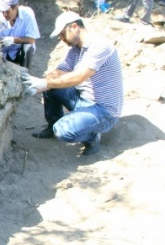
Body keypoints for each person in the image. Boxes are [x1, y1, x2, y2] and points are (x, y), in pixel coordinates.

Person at [22, 11, 124, 155]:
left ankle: (92, 137)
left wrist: (44, 83)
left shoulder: (100, 46)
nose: (61, 38)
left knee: (63, 131)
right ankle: (52, 125)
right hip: (84, 100)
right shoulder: (76, 49)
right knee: (51, 84)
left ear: (74, 27)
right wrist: (38, 85)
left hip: (104, 110)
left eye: (62, 34)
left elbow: (79, 77)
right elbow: (59, 72)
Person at [0, 0, 40, 71]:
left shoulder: (27, 15)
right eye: (2, 11)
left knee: (28, 47)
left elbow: (32, 39)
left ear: (16, 8)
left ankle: (25, 74)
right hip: (3, 53)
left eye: (7, 11)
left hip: (18, 52)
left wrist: (13, 39)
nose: (4, 14)